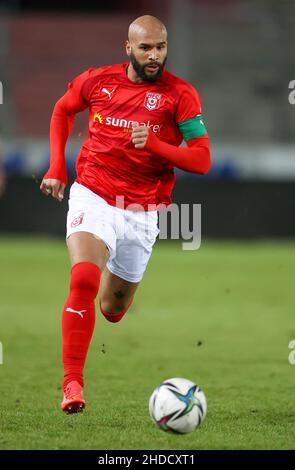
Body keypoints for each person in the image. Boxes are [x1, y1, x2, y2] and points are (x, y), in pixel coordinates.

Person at [40, 15, 211, 414]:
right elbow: (62, 111)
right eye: (146, 48)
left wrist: (155, 144)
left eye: (161, 47)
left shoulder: (180, 94)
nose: (154, 56)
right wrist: (55, 167)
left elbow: (202, 160)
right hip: (93, 194)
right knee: (83, 277)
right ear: (128, 48)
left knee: (113, 310)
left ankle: (108, 303)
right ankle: (72, 384)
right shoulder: (97, 81)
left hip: (142, 211)